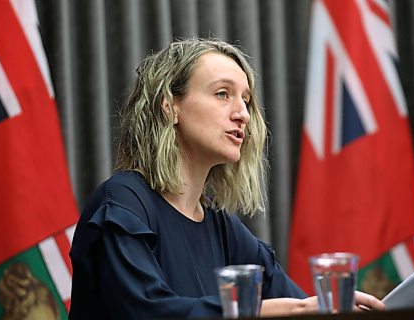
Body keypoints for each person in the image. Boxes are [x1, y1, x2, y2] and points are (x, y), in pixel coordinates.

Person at [68, 38, 384, 319]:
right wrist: (297, 309)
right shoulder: (122, 204)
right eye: (222, 94)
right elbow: (148, 311)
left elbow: (298, 302)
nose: (242, 114)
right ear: (169, 106)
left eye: (245, 101)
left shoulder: (222, 225)